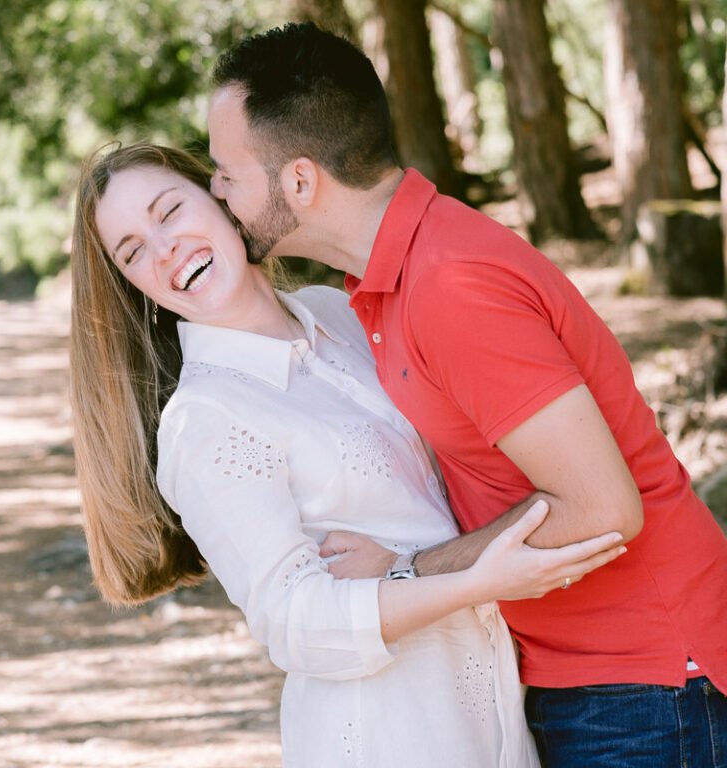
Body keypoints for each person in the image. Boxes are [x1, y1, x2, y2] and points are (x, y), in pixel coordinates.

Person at [205, 21, 727, 766]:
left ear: (299, 180)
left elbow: (601, 508)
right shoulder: (389, 280)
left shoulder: (451, 285)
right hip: (590, 673)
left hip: (647, 681)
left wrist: (411, 568)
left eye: (227, 170)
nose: (215, 190)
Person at [69, 141, 627, 767]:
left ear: (221, 197)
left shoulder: (338, 314)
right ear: (134, 285)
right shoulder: (204, 421)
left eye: (168, 211)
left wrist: (418, 567)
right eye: (133, 251)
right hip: (385, 732)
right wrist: (474, 580)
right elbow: (296, 623)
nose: (163, 247)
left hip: (498, 709)